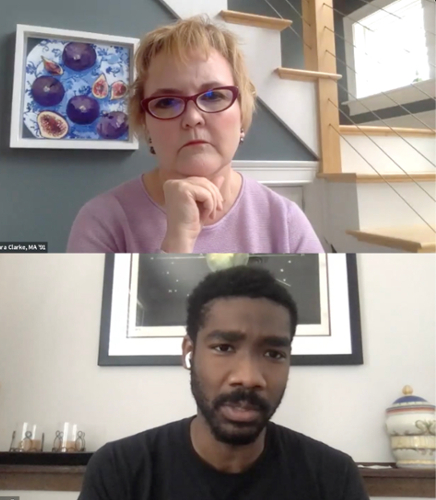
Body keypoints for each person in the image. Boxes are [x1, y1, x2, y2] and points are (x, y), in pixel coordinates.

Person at [78, 266, 368, 500]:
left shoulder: (333, 477)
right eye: (224, 348)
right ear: (189, 353)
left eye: (273, 353)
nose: (249, 377)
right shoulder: (120, 470)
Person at [67, 17, 325, 253]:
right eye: (167, 102)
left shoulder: (285, 221)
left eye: (214, 96)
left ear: (242, 113)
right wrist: (176, 244)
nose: (192, 118)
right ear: (145, 123)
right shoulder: (102, 221)